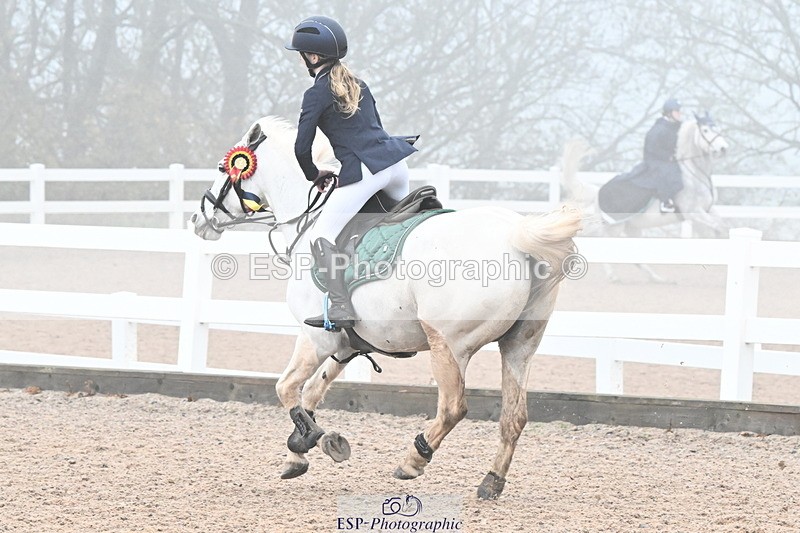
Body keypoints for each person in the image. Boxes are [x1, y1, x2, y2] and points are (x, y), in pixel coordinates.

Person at [285, 15, 416, 330]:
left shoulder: (315, 94)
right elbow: (373, 130)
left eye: (303, 54)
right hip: (396, 164)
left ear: (313, 57)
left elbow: (301, 148)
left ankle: (342, 306)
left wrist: (313, 174)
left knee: (322, 235)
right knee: (405, 225)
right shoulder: (360, 83)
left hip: (368, 170)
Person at [639, 98, 684, 213]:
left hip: (666, 160)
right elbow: (651, 148)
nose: (680, 114)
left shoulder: (675, 127)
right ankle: (665, 202)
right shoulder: (659, 129)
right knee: (667, 173)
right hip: (654, 161)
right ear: (669, 113)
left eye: (680, 111)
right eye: (677, 111)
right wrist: (668, 157)